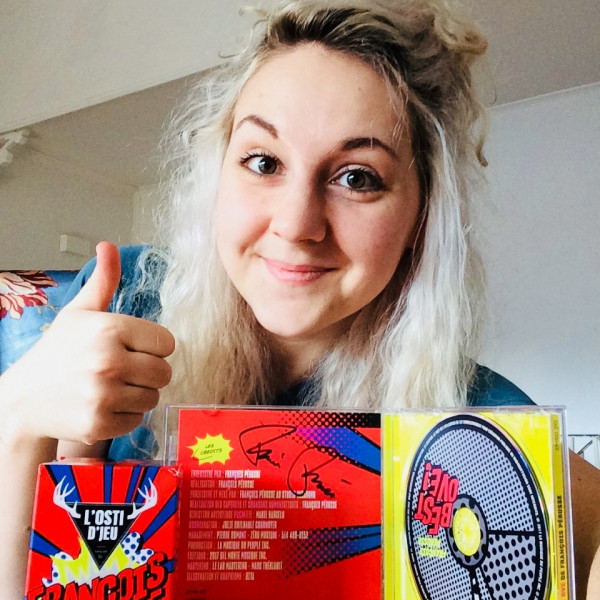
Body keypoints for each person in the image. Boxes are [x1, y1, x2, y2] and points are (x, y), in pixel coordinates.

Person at [1, 0, 598, 597]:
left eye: (357, 177)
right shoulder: (129, 296)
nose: (295, 224)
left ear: (422, 214)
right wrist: (21, 416)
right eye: (263, 162)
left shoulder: (480, 425)